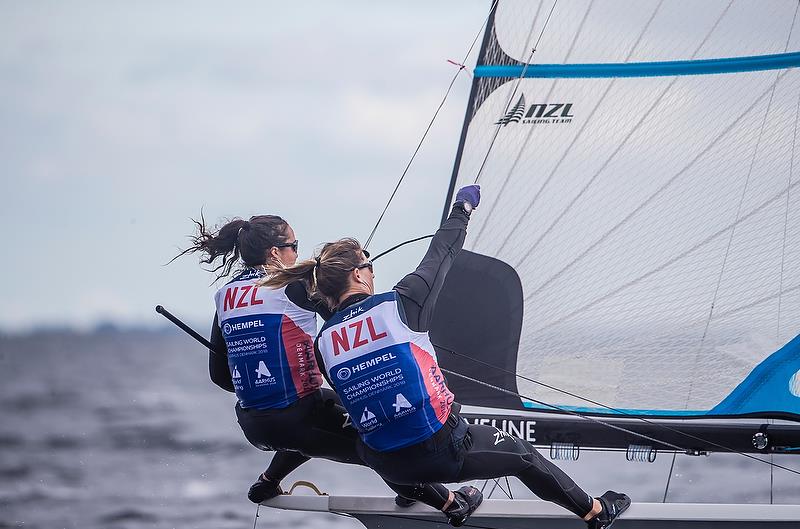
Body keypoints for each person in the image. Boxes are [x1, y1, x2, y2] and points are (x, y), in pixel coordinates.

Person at [262, 186, 631, 529]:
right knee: (522, 456)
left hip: (386, 464)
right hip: (441, 453)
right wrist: (462, 209)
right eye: (369, 265)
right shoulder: (403, 302)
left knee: (385, 438)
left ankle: (425, 496)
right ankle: (596, 511)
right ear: (359, 274)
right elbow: (442, 251)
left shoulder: (324, 341)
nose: (373, 272)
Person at [178, 213, 483, 526]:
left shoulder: (225, 295)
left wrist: (262, 389)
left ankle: (268, 480)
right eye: (293, 246)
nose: (297, 253)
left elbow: (220, 377)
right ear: (275, 253)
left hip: (253, 424)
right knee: (375, 441)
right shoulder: (294, 288)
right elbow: (348, 319)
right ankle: (449, 503)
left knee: (327, 417)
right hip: (298, 417)